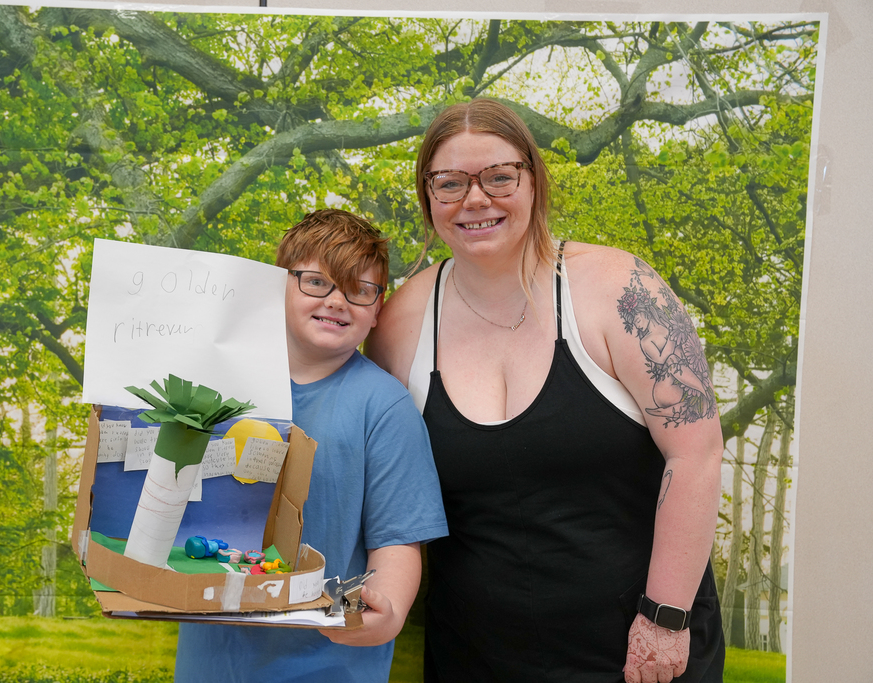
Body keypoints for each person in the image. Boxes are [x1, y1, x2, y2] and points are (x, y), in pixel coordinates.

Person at [366, 99, 725, 683]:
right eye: (450, 182)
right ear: (427, 195)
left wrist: (663, 620)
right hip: (474, 654)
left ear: (534, 179)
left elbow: (696, 455)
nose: (476, 199)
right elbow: (385, 487)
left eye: (500, 176)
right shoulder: (400, 323)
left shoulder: (620, 290)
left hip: (639, 651)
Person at [175, 209, 449, 682]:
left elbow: (397, 542)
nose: (338, 302)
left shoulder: (384, 407)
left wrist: (388, 607)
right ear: (279, 286)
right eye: (316, 282)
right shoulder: (214, 390)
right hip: (213, 664)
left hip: (329, 664)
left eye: (360, 290)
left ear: (378, 307)